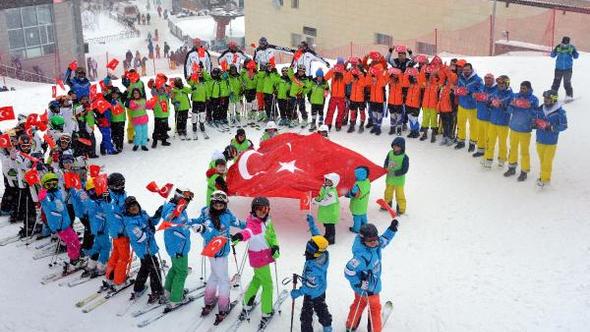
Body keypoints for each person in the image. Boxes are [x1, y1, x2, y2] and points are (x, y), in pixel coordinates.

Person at [190, 191, 246, 322]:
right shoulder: (207, 216)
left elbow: (238, 223)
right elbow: (208, 231)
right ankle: (223, 307)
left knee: (214, 276)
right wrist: (197, 226)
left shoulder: (227, 214)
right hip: (215, 252)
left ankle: (209, 301)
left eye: (222, 204)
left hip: (221, 251)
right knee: (224, 280)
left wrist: (252, 224)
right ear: (212, 203)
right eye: (216, 204)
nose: (219, 206)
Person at [231, 197, 280, 329]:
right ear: (253, 210)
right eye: (259, 209)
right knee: (268, 285)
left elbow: (272, 234)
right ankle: (267, 311)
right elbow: (248, 232)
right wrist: (240, 236)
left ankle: (247, 303)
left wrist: (275, 246)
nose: (263, 212)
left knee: (257, 279)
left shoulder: (267, 221)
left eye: (265, 209)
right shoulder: (253, 223)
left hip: (265, 254)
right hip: (259, 258)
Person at [344, 220, 398, 332]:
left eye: (375, 238)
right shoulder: (362, 256)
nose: (374, 242)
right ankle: (374, 329)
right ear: (363, 240)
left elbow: (384, 240)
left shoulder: (374, 244)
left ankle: (351, 324)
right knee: (374, 309)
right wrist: (358, 282)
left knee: (359, 303)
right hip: (370, 288)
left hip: (363, 289)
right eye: (370, 240)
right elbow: (348, 270)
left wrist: (392, 229)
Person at [291, 214, 333, 332]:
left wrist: (298, 292)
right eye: (308, 247)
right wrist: (312, 224)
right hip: (321, 288)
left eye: (310, 250)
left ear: (317, 252)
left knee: (306, 314)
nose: (307, 251)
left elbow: (309, 288)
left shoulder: (312, 269)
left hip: (312, 293)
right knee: (321, 307)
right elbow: (317, 236)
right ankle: (327, 325)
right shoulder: (322, 252)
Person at [39, 172, 83, 272]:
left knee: (74, 240)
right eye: (48, 185)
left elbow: (63, 200)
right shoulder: (47, 197)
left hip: (65, 223)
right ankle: (74, 261)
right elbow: (46, 202)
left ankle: (76, 257)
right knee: (72, 242)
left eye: (54, 183)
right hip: (59, 225)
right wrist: (43, 194)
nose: (52, 186)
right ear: (44, 186)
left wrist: (70, 189)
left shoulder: (58, 192)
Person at [125, 196, 164, 303]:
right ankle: (156, 291)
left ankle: (138, 288)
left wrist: (158, 213)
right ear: (127, 210)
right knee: (154, 268)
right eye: (131, 207)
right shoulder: (130, 223)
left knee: (145, 267)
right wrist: (150, 230)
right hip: (144, 249)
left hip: (149, 247)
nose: (134, 208)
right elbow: (141, 237)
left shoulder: (142, 214)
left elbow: (152, 222)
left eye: (135, 205)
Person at [162, 189, 194, 309]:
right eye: (184, 200)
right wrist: (173, 214)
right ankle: (176, 298)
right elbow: (167, 218)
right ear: (178, 198)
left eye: (188, 201)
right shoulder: (172, 209)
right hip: (178, 248)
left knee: (175, 269)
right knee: (182, 272)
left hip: (175, 246)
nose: (186, 203)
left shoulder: (178, 208)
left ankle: (168, 291)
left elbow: (183, 222)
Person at [533, 90, 568, 188]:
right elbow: (534, 119)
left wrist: (552, 127)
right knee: (542, 160)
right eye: (545, 98)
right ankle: (544, 176)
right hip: (540, 139)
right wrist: (535, 124)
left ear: (554, 99)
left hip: (551, 141)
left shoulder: (560, 112)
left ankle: (544, 179)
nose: (546, 100)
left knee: (547, 161)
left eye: (548, 98)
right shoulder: (540, 109)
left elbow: (564, 126)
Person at [505, 81, 538, 181]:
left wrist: (528, 108)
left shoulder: (534, 99)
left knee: (524, 151)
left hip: (525, 130)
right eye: (521, 87)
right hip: (514, 127)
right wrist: (511, 105)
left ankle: (524, 171)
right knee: (512, 149)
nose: (522, 90)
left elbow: (536, 113)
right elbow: (509, 110)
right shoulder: (515, 96)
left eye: (524, 88)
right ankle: (511, 167)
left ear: (529, 88)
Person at [103, 173, 131, 290]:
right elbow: (113, 213)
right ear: (112, 186)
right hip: (119, 231)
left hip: (119, 231)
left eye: (123, 183)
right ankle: (119, 280)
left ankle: (110, 275)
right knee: (124, 257)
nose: (122, 186)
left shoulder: (120, 194)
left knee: (116, 253)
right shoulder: (109, 197)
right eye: (119, 184)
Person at [80, 178, 112, 278]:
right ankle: (101, 267)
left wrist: (106, 198)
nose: (95, 193)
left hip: (97, 228)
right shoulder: (94, 203)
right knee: (106, 247)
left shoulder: (92, 201)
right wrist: (107, 200)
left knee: (97, 246)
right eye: (91, 191)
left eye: (96, 190)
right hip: (101, 229)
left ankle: (91, 264)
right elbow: (107, 210)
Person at [483, 75, 513, 168]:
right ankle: (488, 158)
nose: (500, 85)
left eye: (502, 83)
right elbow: (488, 103)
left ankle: (502, 159)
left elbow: (511, 110)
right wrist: (489, 103)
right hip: (493, 121)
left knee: (502, 143)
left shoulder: (511, 95)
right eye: (499, 83)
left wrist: (502, 106)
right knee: (490, 141)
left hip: (503, 123)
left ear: (507, 84)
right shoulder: (495, 92)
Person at [454, 63, 482, 151]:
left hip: (473, 106)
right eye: (464, 70)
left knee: (473, 126)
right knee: (461, 123)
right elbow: (457, 88)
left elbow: (481, 91)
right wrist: (457, 90)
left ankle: (472, 143)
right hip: (462, 105)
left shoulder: (478, 79)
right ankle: (461, 141)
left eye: (468, 70)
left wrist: (472, 93)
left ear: (471, 70)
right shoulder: (461, 78)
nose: (466, 71)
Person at [472, 74, 497, 157]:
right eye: (486, 79)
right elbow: (477, 94)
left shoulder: (496, 89)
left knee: (488, 137)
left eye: (489, 79)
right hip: (480, 114)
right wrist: (475, 96)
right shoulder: (482, 87)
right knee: (480, 135)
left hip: (489, 117)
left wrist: (488, 99)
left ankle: (488, 153)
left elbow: (496, 99)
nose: (487, 80)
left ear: (493, 80)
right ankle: (480, 150)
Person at [312, 173, 341, 245]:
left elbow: (326, 202)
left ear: (334, 182)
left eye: (329, 181)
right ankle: (327, 236)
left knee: (330, 226)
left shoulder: (332, 192)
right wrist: (317, 199)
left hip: (331, 212)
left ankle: (331, 239)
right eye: (326, 180)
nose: (327, 182)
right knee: (327, 225)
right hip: (327, 211)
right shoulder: (325, 188)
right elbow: (321, 195)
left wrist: (316, 201)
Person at [383, 137, 409, 215]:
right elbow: (386, 161)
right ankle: (387, 204)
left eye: (397, 146)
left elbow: (405, 169)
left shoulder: (404, 157)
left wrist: (395, 173)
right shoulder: (390, 153)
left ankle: (401, 208)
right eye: (394, 146)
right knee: (388, 192)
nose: (395, 148)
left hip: (399, 180)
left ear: (401, 147)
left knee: (400, 195)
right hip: (390, 178)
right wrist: (385, 167)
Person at [550, 36, 579, 101]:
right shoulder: (558, 47)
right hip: (558, 68)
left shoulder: (571, 47)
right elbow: (552, 55)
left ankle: (569, 96)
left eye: (566, 43)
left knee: (567, 82)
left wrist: (575, 53)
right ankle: (553, 96)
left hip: (568, 68)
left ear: (569, 42)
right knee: (556, 82)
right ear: (562, 41)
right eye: (564, 42)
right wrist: (553, 52)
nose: (565, 44)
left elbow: (576, 56)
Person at [324, 63, 350, 131]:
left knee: (341, 112)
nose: (339, 67)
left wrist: (345, 73)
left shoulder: (344, 73)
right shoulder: (333, 72)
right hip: (333, 97)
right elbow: (325, 78)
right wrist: (332, 70)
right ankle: (328, 124)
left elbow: (347, 82)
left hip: (341, 97)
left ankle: (338, 124)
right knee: (330, 111)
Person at [346, 166, 371, 233]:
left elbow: (354, 194)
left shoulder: (357, 185)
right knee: (363, 215)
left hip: (357, 205)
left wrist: (347, 194)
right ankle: (365, 226)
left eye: (356, 175)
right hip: (364, 203)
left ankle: (356, 229)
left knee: (357, 217)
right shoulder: (367, 181)